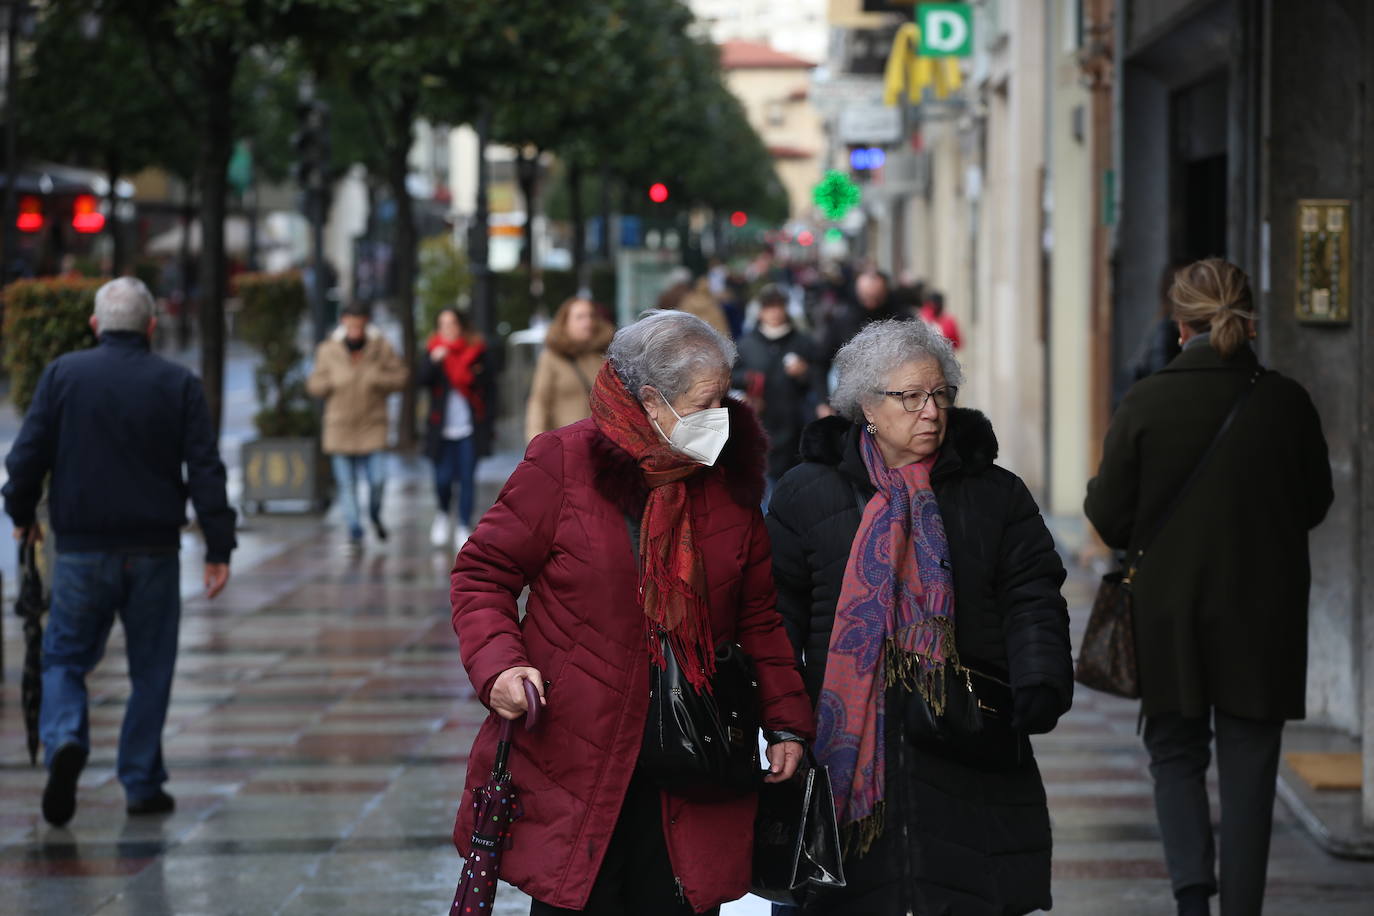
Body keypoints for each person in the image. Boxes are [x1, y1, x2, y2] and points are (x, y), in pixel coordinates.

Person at [450, 311, 814, 915]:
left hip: (696, 754)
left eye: (724, 399)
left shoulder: (729, 479)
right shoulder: (562, 463)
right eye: (704, 404)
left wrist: (786, 723)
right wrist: (501, 668)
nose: (720, 418)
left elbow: (758, 617)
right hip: (578, 751)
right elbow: (482, 573)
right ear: (650, 401)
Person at [767, 319, 1073, 915]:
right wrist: (782, 718)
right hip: (843, 751)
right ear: (867, 407)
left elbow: (1032, 593)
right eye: (910, 397)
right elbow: (776, 611)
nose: (930, 411)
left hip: (967, 735)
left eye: (939, 394)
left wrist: (1039, 678)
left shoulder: (996, 493)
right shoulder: (807, 492)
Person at [1085, 258, 1332, 916]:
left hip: (1168, 612)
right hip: (1265, 615)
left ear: (1179, 324)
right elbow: (1314, 502)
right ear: (1251, 321)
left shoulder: (1146, 401)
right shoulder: (1286, 402)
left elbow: (1108, 516)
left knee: (1175, 753)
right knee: (1251, 767)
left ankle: (1192, 902)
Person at [2, 277, 236, 826]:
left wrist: (21, 514)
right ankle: (141, 782)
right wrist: (218, 546)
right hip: (154, 550)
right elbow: (205, 469)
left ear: (95, 325)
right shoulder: (178, 383)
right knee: (151, 670)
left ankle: (65, 738)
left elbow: (26, 456)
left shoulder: (63, 375)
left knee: (64, 658)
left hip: (82, 549)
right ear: (152, 326)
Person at [306, 302, 409, 545]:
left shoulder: (381, 347)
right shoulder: (328, 349)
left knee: (378, 480)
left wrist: (377, 379)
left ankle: (374, 514)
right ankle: (354, 530)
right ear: (343, 322)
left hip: (373, 425)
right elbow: (314, 384)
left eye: (359, 325)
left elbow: (401, 376)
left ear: (366, 323)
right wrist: (331, 382)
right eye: (350, 325)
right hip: (339, 427)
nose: (354, 330)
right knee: (347, 484)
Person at [731, 284, 821, 505]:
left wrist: (804, 372)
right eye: (768, 307)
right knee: (763, 486)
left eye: (778, 307)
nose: (774, 313)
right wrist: (747, 380)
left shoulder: (802, 341)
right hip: (760, 422)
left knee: (794, 485)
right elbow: (732, 377)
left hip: (794, 423)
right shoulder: (746, 344)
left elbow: (818, 378)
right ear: (760, 311)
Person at [419, 308, 487, 550]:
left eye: (452, 323)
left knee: (467, 479)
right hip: (441, 431)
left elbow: (489, 387)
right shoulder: (432, 351)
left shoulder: (476, 352)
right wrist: (433, 361)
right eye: (442, 324)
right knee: (442, 479)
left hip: (469, 429)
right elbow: (420, 380)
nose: (447, 328)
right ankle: (442, 512)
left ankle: (462, 524)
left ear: (461, 326)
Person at [524, 296, 614, 443]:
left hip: (603, 442)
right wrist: (536, 440)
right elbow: (539, 401)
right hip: (567, 443)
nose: (588, 322)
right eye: (580, 317)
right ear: (565, 323)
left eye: (591, 316)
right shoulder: (551, 357)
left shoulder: (606, 355)